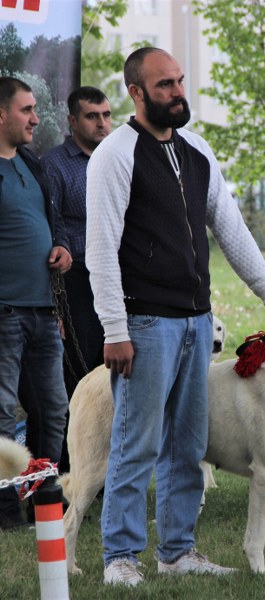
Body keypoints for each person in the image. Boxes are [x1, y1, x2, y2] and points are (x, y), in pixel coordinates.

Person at [85, 47, 265, 587]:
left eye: (179, 81)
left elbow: (230, 227)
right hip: (144, 324)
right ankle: (120, 559)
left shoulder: (198, 150)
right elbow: (100, 250)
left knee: (187, 446)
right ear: (136, 92)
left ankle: (177, 553)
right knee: (137, 443)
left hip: (199, 322)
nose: (178, 92)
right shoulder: (115, 154)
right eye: (165, 85)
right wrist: (114, 329)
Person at [0, 77, 71, 530]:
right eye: (26, 109)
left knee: (53, 407)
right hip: (4, 312)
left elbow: (55, 220)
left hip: (44, 312)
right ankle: (4, 505)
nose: (35, 117)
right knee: (3, 412)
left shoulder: (32, 162)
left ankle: (44, 494)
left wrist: (62, 246)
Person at [41, 86, 112, 473]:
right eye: (91, 116)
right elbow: (55, 226)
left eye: (106, 115)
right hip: (78, 281)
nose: (101, 123)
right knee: (81, 380)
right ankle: (74, 474)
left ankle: (108, 474)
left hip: (120, 280)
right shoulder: (54, 164)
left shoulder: (119, 157)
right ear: (72, 121)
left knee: (115, 376)